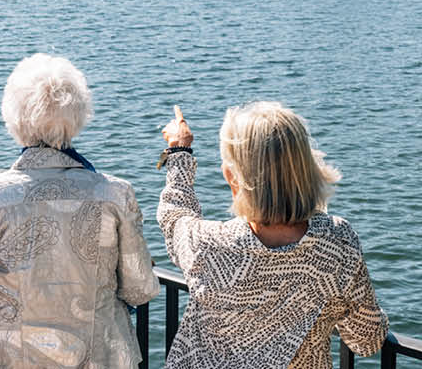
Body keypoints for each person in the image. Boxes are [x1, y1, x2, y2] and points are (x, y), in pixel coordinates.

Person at [0, 54, 159, 368]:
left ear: (14, 116)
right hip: (99, 358)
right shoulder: (115, 194)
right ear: (78, 115)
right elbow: (140, 288)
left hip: (7, 358)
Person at [155, 102, 389, 369]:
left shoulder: (208, 245)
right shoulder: (337, 243)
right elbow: (367, 341)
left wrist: (179, 150)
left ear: (233, 178)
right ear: (307, 169)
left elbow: (174, 217)